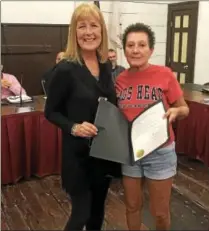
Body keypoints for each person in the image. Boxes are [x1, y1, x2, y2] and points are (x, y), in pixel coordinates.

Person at [44, 3, 121, 231]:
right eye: (82, 26)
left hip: (103, 155)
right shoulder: (65, 69)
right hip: (77, 157)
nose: (88, 32)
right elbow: (51, 112)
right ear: (74, 32)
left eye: (94, 25)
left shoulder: (106, 65)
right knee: (81, 214)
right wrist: (74, 127)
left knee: (97, 214)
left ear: (102, 31)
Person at [115, 23, 189, 230]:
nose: (135, 50)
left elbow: (185, 109)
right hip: (131, 152)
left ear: (151, 50)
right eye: (130, 45)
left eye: (141, 45)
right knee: (131, 206)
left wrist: (176, 111)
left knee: (160, 212)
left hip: (160, 152)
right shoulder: (119, 79)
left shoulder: (165, 74)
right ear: (125, 50)